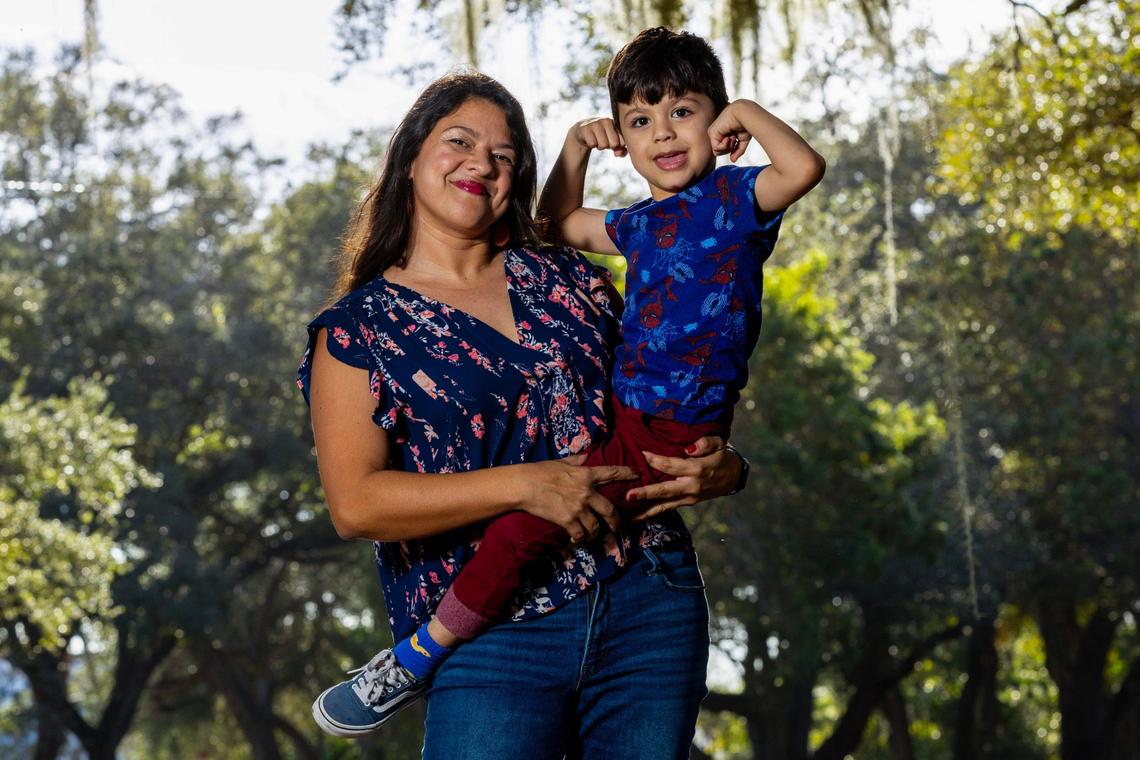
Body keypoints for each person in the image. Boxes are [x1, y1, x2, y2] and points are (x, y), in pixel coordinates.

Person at [342, 26, 827, 727]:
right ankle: (429, 650)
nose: (662, 133)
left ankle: (420, 654)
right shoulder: (638, 226)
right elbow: (558, 221)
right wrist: (575, 145)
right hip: (631, 428)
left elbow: (805, 168)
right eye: (639, 121)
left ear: (716, 123)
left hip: (669, 437)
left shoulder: (737, 201)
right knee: (528, 521)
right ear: (623, 145)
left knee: (517, 534)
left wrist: (743, 114)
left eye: (683, 112)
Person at [299, 69, 745, 757]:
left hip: (649, 600)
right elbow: (357, 505)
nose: (482, 162)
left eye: (505, 156)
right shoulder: (362, 329)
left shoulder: (569, 278)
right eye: (459, 141)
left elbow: (665, 385)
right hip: (490, 625)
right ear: (411, 156)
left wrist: (728, 468)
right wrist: (526, 484)